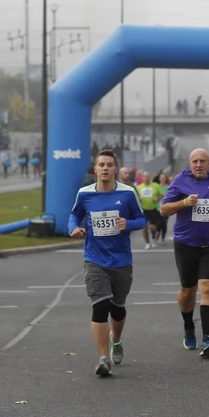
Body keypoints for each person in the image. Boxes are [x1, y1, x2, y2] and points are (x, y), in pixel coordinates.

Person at [68, 149, 146, 376]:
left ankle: (117, 339)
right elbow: (74, 214)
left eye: (109, 165)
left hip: (121, 260)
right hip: (94, 258)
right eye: (100, 164)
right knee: (100, 306)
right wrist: (73, 227)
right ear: (95, 170)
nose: (104, 168)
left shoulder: (128, 193)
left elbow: (141, 219)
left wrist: (127, 224)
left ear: (115, 169)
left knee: (117, 308)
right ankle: (103, 358)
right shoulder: (84, 194)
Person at [160, 149, 209, 358]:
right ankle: (189, 325)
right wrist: (183, 203)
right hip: (186, 244)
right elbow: (164, 210)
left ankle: (208, 339)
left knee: (208, 286)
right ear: (190, 164)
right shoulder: (180, 181)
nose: (198, 165)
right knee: (188, 291)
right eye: (194, 161)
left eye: (202, 161)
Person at [136, 171, 163, 250]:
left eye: (148, 176)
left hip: (153, 209)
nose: (146, 178)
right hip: (143, 210)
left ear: (150, 177)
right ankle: (147, 243)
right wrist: (139, 199)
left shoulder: (155, 185)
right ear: (142, 178)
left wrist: (157, 199)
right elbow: (135, 198)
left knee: (152, 227)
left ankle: (154, 236)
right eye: (145, 176)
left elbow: (161, 195)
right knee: (144, 228)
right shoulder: (139, 187)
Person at [155, 173, 170, 244]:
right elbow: (155, 196)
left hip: (166, 207)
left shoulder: (168, 187)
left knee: (164, 223)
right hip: (158, 207)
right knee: (159, 223)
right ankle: (158, 232)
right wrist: (158, 197)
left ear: (165, 179)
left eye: (164, 177)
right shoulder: (157, 187)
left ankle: (163, 237)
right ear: (159, 179)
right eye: (161, 177)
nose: (162, 179)